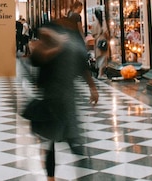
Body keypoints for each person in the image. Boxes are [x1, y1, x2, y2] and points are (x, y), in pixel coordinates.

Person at [30, 17, 99, 181]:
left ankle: (80, 174)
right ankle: (51, 177)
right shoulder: (50, 42)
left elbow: (82, 65)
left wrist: (92, 87)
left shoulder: (69, 42)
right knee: (52, 142)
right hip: (52, 98)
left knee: (71, 141)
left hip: (65, 98)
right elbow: (37, 59)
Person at [90, 8, 110, 79]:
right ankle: (101, 73)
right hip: (103, 40)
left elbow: (92, 34)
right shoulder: (103, 22)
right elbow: (105, 31)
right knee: (103, 57)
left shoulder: (94, 23)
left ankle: (99, 72)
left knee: (99, 56)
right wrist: (108, 38)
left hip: (97, 41)